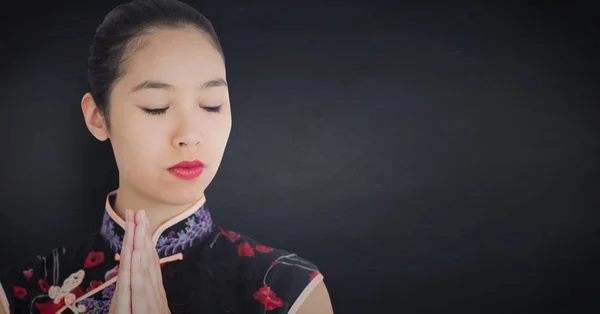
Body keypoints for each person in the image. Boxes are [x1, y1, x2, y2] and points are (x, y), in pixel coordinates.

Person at [0, 0, 333, 313]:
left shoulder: (289, 290)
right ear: (97, 118)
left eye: (211, 105)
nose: (189, 136)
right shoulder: (22, 293)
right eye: (156, 108)